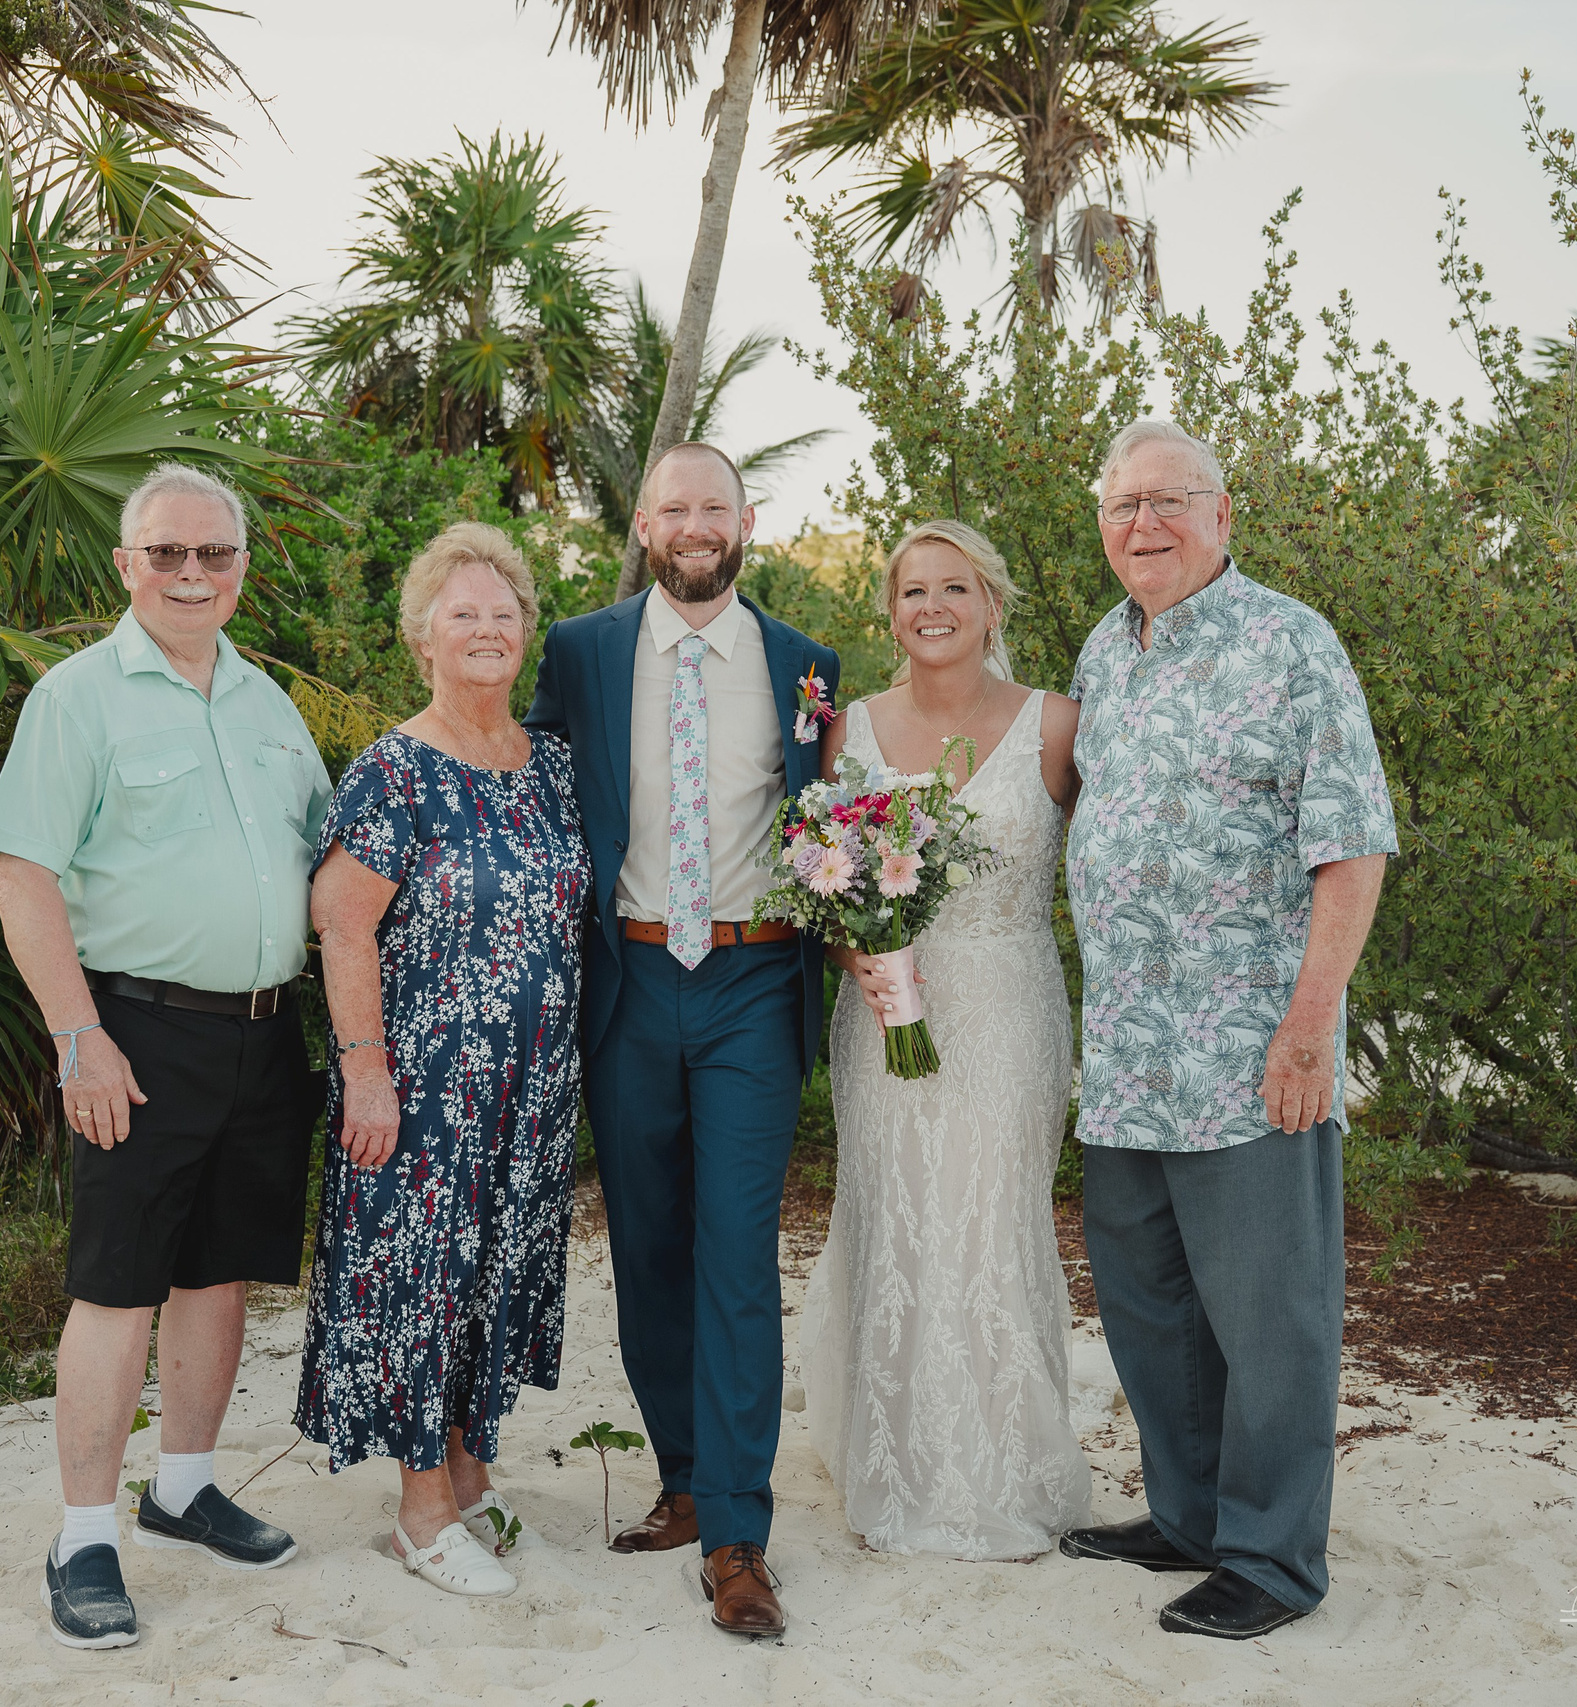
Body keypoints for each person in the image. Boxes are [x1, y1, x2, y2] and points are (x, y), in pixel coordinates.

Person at [1055, 418, 1396, 1640]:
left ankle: (1270, 1559)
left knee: (1269, 1320)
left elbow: (1351, 847)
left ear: (1221, 513)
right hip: (1126, 1055)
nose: (1142, 524)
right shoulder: (1105, 650)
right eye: (1121, 506)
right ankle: (1191, 1518)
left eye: (1168, 500)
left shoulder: (1292, 642)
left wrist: (1310, 1027)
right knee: (1151, 1310)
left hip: (1250, 1054)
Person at [0, 462, 329, 1651]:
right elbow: (22, 878)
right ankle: (83, 1539)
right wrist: (77, 1039)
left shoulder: (267, 703)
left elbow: (325, 859)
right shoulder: (76, 698)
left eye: (212, 553)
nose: (191, 573)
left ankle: (183, 1489)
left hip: (263, 1033)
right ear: (127, 565)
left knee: (217, 1274)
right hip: (134, 1036)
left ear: (241, 568)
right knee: (117, 1284)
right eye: (167, 553)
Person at [523, 442, 841, 1638]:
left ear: (745, 522)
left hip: (753, 978)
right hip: (631, 977)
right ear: (645, 526)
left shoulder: (805, 665)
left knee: (735, 1252)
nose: (696, 525)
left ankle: (738, 1538)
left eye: (716, 506)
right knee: (649, 1248)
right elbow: (531, 785)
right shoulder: (581, 651)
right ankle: (685, 1480)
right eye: (675, 508)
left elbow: (831, 818)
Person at [298, 522, 589, 1599]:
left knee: (493, 1277)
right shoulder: (394, 770)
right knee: (423, 1281)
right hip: (425, 1085)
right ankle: (421, 1515)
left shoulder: (552, 767)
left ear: (526, 634)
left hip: (532, 1088)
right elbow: (341, 924)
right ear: (423, 637)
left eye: (503, 613)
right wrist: (365, 1071)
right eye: (462, 613)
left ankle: (469, 1480)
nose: (485, 629)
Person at [799, 519, 1093, 1560]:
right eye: (914, 591)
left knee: (992, 1221)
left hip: (1010, 1006)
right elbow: (821, 882)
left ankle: (1007, 1461)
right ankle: (897, 1458)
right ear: (891, 614)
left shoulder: (1057, 725)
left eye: (955, 588)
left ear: (992, 605)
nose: (934, 607)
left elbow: (1114, 859)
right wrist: (863, 953)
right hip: (882, 1012)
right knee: (896, 1215)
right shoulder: (849, 731)